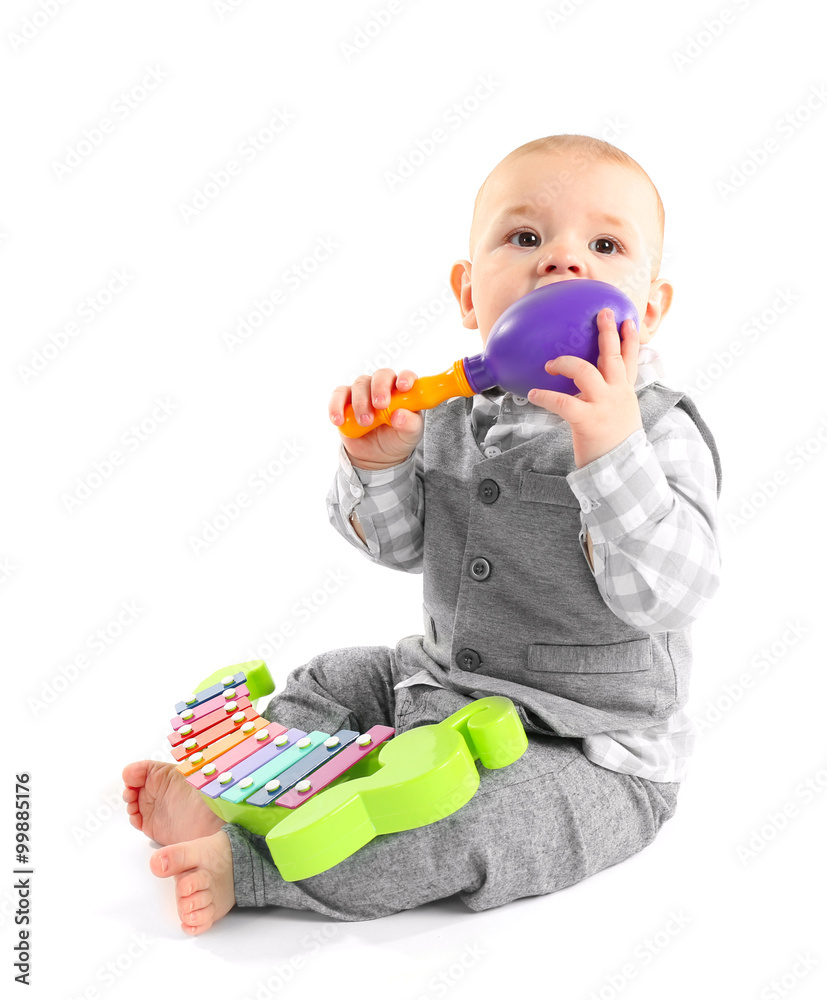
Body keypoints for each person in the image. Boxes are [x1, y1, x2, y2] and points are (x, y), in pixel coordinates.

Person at [123, 134, 722, 935]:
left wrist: (609, 448)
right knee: (332, 677)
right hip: (440, 684)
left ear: (647, 312)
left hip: (593, 752)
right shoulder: (450, 411)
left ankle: (253, 869)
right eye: (525, 237)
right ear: (469, 295)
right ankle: (235, 790)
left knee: (480, 823)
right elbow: (398, 548)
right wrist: (381, 462)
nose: (562, 263)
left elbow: (669, 594)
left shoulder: (657, 432)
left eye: (605, 245)